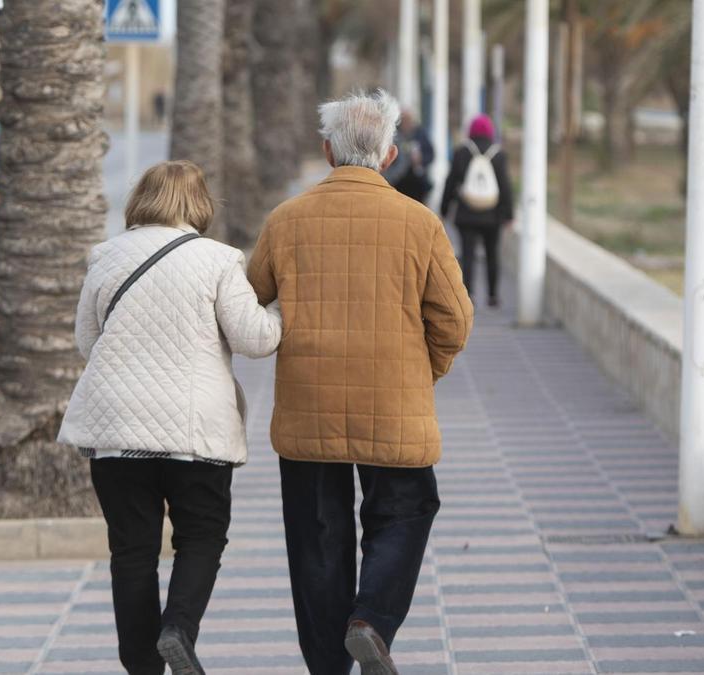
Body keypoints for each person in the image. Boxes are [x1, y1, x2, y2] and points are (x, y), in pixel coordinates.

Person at [247, 90, 473, 675]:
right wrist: (425, 373)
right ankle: (370, 619)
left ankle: (327, 665)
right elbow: (455, 318)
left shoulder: (286, 220)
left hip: (307, 408)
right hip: (396, 404)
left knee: (317, 538)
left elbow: (249, 303)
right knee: (404, 510)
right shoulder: (419, 223)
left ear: (326, 151)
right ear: (391, 154)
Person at [58, 161, 282, 675]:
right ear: (201, 205)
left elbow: (88, 342)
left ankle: (141, 666)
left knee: (132, 552)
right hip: (195, 432)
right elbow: (256, 339)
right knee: (201, 536)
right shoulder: (219, 260)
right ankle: (178, 629)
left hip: (115, 430)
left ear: (141, 199)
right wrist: (280, 310)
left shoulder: (106, 257)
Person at [440, 113, 514, 308]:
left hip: (467, 214)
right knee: (492, 255)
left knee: (468, 255)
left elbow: (451, 182)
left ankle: (468, 294)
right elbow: (505, 187)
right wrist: (509, 214)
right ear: (490, 132)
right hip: (493, 215)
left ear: (470, 132)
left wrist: (445, 208)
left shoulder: (461, 152)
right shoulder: (499, 154)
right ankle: (492, 295)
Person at [383, 109, 434, 204]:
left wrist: (421, 159)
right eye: (404, 120)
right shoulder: (394, 134)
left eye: (409, 120)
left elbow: (430, 154)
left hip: (417, 180)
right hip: (399, 180)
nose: (407, 123)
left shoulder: (420, 133)